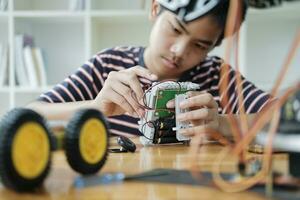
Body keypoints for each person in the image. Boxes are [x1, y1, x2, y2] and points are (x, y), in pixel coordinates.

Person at [27, 0, 272, 139]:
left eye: (200, 45)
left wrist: (221, 123)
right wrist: (95, 108)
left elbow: (283, 121)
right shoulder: (107, 66)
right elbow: (29, 114)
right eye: (175, 29)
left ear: (215, 45)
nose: (179, 50)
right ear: (155, 9)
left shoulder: (217, 76)